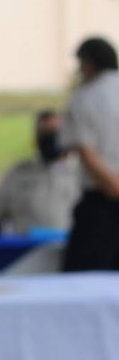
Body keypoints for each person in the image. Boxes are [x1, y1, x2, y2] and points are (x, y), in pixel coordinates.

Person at [61, 37, 119, 270]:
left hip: (102, 205)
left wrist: (114, 187)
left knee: (85, 282)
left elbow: (87, 154)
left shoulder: (84, 98)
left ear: (89, 63)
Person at [0, 110, 80, 235]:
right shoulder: (18, 174)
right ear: (36, 138)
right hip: (29, 251)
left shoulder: (83, 174)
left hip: (69, 251)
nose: (51, 138)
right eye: (44, 134)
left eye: (55, 133)